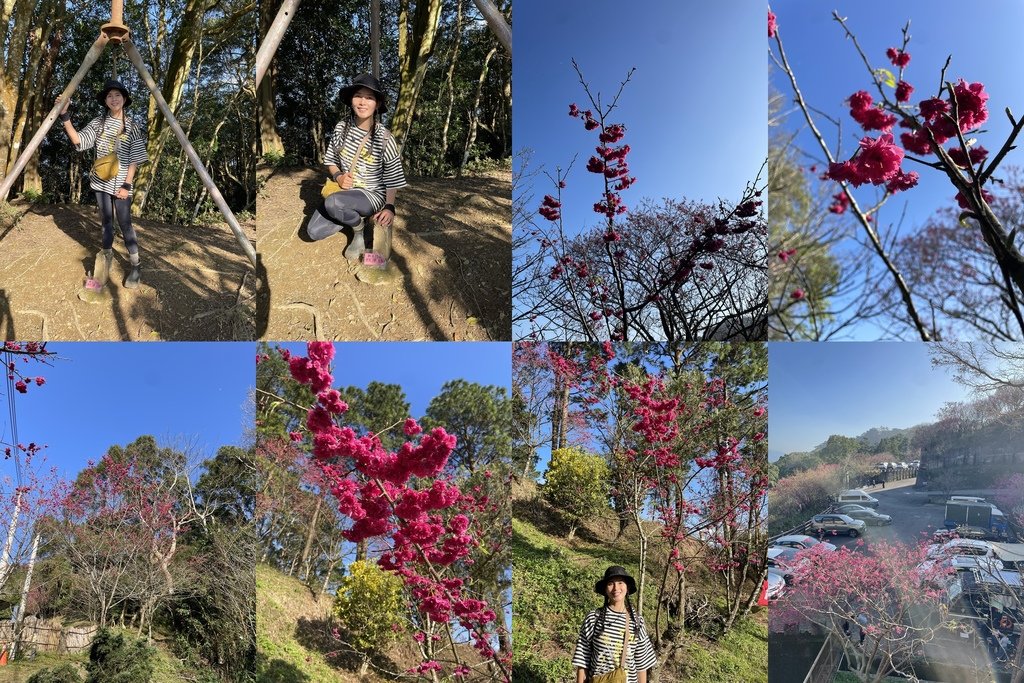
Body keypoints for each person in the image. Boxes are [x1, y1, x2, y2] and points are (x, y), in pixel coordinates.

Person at [58, 79, 149, 288]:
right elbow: (78, 141)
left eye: (117, 95)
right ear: (105, 101)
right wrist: (65, 115)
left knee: (125, 224)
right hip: (100, 182)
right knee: (106, 222)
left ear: (124, 99)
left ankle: (136, 265)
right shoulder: (98, 123)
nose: (114, 99)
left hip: (121, 184)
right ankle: (105, 261)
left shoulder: (133, 127)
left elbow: (134, 158)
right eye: (109, 96)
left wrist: (127, 185)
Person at [307, 73, 407, 262]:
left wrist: (390, 206)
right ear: (351, 100)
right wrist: (338, 177)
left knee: (333, 204)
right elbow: (330, 161)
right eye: (358, 96)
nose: (362, 102)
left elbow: (392, 176)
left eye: (369, 98)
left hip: (372, 194)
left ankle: (359, 231)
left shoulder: (384, 137)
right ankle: (351, 216)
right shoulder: (340, 128)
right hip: (343, 192)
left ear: (377, 104)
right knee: (313, 232)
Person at [572, 566, 656, 683]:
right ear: (606, 589)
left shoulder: (636, 621)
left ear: (627, 587)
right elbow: (582, 658)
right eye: (611, 584)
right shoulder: (594, 618)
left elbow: (641, 664)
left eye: (620, 583)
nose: (616, 588)